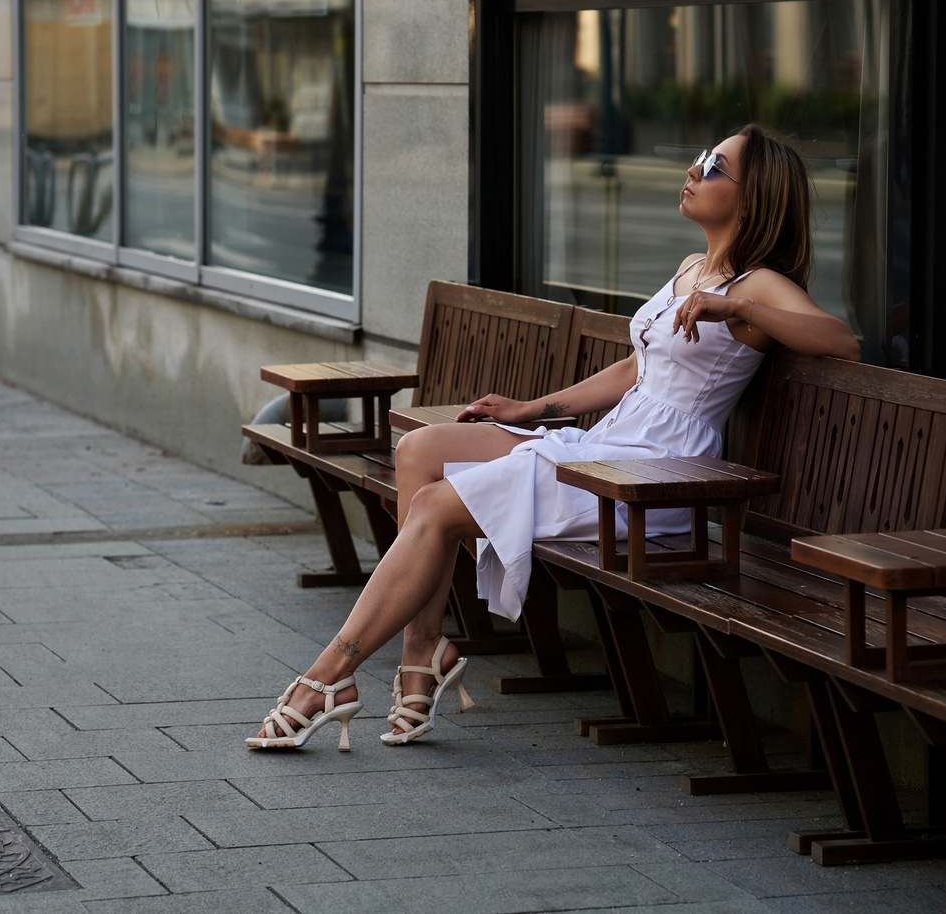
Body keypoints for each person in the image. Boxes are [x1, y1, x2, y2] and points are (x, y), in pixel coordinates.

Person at [247, 125, 861, 750]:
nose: (695, 170)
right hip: (613, 445)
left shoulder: (754, 285)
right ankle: (421, 648)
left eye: (714, 166)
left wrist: (743, 311)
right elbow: (636, 369)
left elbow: (841, 341)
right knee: (419, 450)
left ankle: (329, 678)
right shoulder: (691, 268)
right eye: (700, 158)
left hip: (657, 475)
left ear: (753, 195)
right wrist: (533, 409)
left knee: (435, 507)